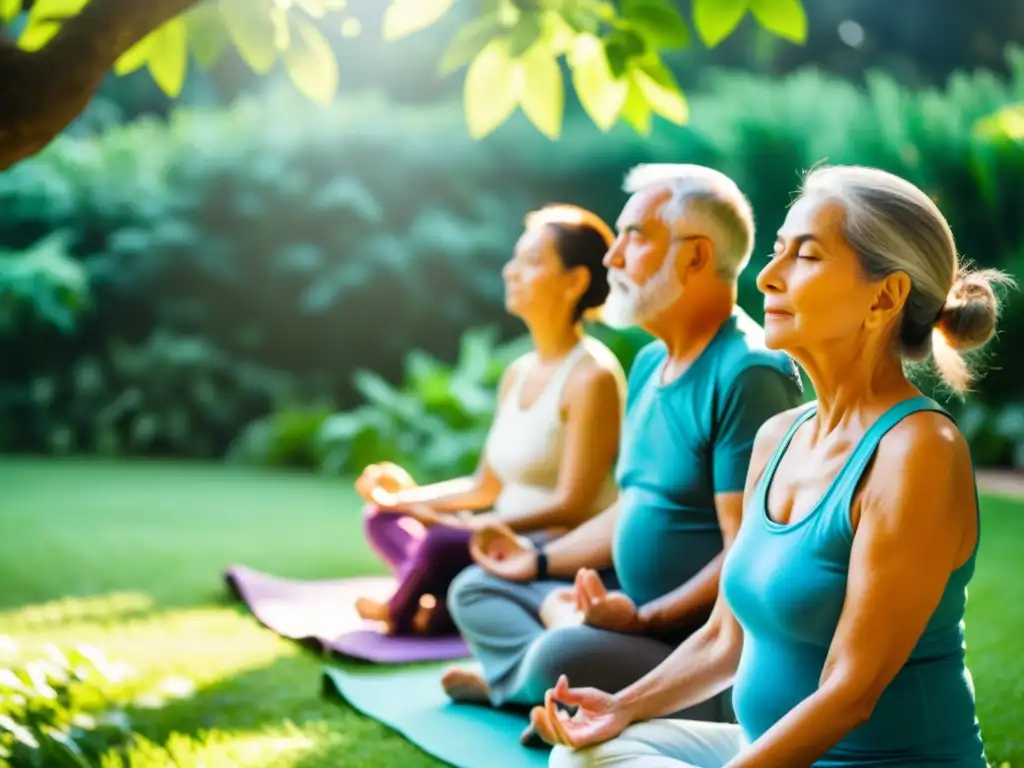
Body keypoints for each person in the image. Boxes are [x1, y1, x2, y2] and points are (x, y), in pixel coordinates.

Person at [533, 165, 1011, 768]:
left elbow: (849, 692)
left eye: (805, 256)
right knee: (589, 753)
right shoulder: (778, 437)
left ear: (883, 296)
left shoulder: (917, 452)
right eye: (778, 249)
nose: (766, 275)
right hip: (759, 750)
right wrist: (623, 706)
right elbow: (724, 638)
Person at [440, 164, 805, 732]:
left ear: (695, 258)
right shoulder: (649, 363)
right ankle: (544, 689)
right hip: (625, 610)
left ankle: (534, 685)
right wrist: (534, 561)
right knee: (477, 587)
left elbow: (746, 553)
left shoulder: (749, 374)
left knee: (560, 655)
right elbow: (631, 507)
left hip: (694, 650)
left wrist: (643, 618)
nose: (611, 258)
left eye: (633, 236)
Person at [353, 204, 626, 636]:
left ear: (574, 281)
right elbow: (484, 486)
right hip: (492, 533)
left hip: (546, 546)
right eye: (515, 258)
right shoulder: (517, 372)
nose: (510, 271)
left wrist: (474, 527)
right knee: (380, 518)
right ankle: (440, 603)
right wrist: (405, 501)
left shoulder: (593, 376)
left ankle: (403, 609)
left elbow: (573, 505)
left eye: (531, 261)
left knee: (442, 544)